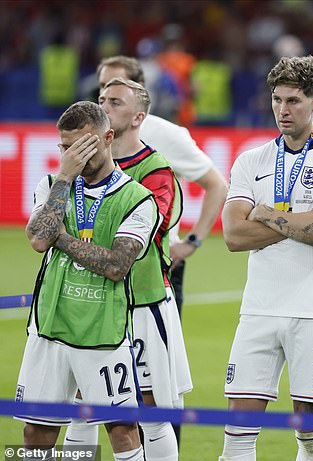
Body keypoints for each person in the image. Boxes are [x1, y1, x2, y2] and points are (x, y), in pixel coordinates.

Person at [220, 55, 313, 461]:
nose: (283, 110)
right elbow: (233, 235)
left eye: (294, 101)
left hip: (311, 311)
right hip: (258, 310)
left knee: (310, 436)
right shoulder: (251, 160)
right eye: (277, 100)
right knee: (237, 437)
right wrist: (304, 221)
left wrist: (265, 213)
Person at [17, 101, 158, 461]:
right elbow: (36, 240)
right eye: (66, 147)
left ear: (108, 137)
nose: (74, 154)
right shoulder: (51, 184)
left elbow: (116, 266)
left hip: (103, 334)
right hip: (49, 330)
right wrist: (64, 176)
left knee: (123, 431)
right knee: (35, 432)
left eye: (83, 144)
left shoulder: (137, 198)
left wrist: (61, 238)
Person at [63, 78, 192, 460]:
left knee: (148, 409)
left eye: (115, 102)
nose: (104, 107)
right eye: (100, 100)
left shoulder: (157, 171)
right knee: (83, 406)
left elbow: (138, 238)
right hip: (91, 301)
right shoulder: (81, 168)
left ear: (138, 116)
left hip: (139, 302)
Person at [96, 55, 228, 317]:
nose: (107, 94)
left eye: (116, 86)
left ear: (140, 91)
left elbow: (217, 185)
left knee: (157, 357)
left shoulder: (165, 134)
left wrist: (192, 242)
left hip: (157, 267)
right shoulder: (95, 134)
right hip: (103, 264)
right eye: (103, 87)